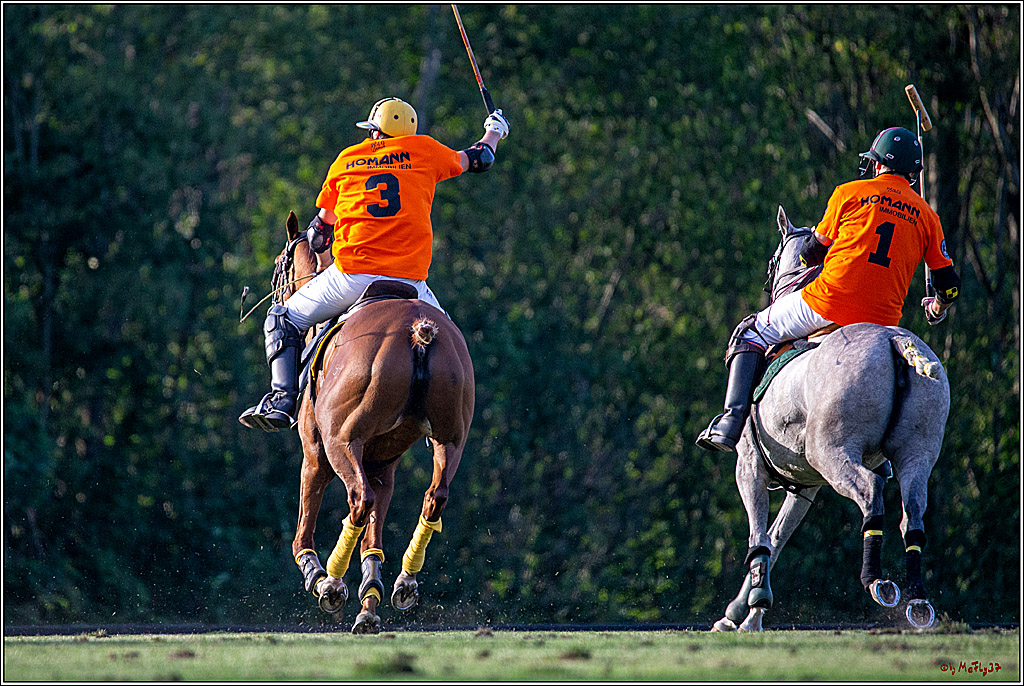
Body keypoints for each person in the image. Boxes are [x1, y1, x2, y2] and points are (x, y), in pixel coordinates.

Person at [240, 97, 510, 431]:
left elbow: (319, 235)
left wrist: (321, 252)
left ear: (376, 133)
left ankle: (281, 401)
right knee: (450, 342)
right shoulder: (425, 151)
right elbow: (480, 158)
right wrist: (494, 130)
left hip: (352, 278)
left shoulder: (347, 160)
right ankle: (445, 421)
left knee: (282, 318)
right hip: (412, 284)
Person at [696, 126, 961, 452]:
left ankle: (730, 423)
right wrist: (936, 308)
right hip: (883, 323)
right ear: (911, 172)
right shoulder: (928, 217)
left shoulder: (849, 193)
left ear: (879, 164)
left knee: (750, 331)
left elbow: (811, 253)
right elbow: (949, 286)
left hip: (828, 304)